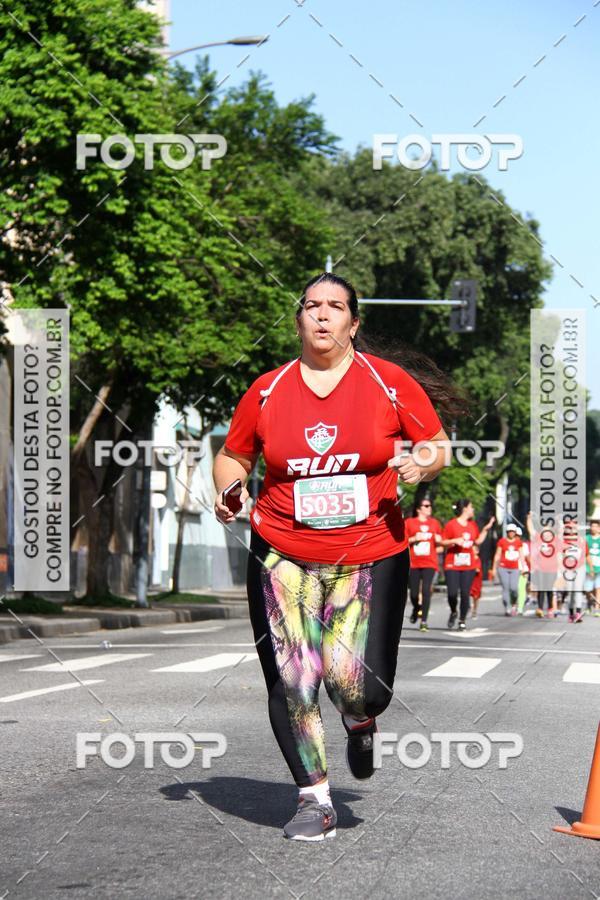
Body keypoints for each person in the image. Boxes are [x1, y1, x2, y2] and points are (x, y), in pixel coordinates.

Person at [212, 272, 463, 842]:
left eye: (336, 307)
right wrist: (230, 490)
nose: (322, 315)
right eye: (311, 306)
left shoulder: (388, 382)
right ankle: (314, 798)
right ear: (298, 319)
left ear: (354, 323)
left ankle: (359, 719)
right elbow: (234, 455)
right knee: (292, 677)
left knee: (357, 685)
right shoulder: (268, 390)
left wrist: (421, 464)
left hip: (370, 551)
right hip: (282, 550)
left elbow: (436, 442)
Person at [442, 499, 494, 631]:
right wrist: (454, 541)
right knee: (452, 593)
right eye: (471, 507)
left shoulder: (473, 525)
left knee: (465, 593)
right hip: (452, 563)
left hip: (468, 565)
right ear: (464, 508)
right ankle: (454, 611)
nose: (473, 510)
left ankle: (462, 620)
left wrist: (486, 530)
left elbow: (477, 542)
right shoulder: (451, 525)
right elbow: (443, 542)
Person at [404, 497, 442, 632]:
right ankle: (416, 608)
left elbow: (440, 543)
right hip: (414, 563)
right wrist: (415, 538)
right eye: (426, 505)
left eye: (430, 505)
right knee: (414, 593)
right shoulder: (409, 522)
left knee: (426, 590)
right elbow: (402, 541)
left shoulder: (435, 523)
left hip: (430, 562)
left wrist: (440, 540)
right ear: (418, 509)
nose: (429, 508)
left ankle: (424, 621)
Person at [490, 523, 525, 616]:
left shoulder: (518, 542)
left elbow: (521, 555)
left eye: (513, 531)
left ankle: (514, 602)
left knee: (514, 588)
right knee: (505, 588)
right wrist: (494, 568)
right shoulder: (502, 542)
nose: (511, 533)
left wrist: (523, 567)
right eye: (509, 531)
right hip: (503, 567)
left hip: (515, 568)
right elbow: (497, 555)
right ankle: (507, 607)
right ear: (507, 532)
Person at [585, 519, 600, 615]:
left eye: (596, 526)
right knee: (588, 589)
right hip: (588, 567)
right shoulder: (587, 538)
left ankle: (597, 608)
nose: (593, 528)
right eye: (592, 526)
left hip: (599, 566)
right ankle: (589, 604)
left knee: (598, 587)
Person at [470, 544, 483, 618]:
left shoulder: (477, 559)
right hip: (469, 580)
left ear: (477, 551)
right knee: (466, 593)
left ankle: (475, 610)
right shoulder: (468, 559)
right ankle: (468, 606)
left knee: (476, 596)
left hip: (476, 581)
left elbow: (477, 570)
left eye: (473, 550)